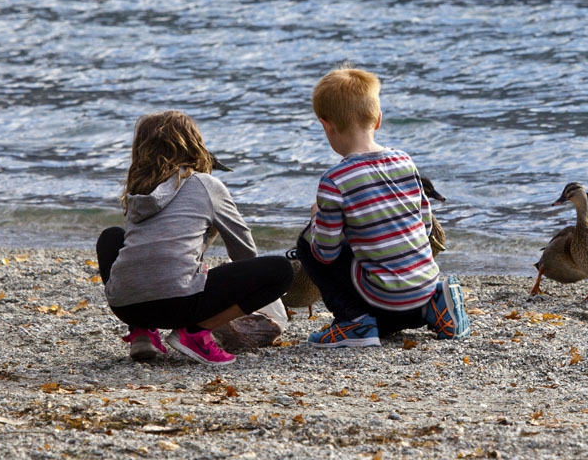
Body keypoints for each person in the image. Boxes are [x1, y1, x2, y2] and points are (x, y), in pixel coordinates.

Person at [96, 111, 293, 365]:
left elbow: (147, 249)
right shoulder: (206, 184)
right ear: (194, 144)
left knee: (111, 237)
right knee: (281, 271)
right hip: (180, 304)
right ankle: (196, 333)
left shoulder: (138, 189)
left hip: (125, 305)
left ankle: (141, 331)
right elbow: (243, 250)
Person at [295, 66, 470, 347]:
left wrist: (317, 219)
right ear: (378, 120)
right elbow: (426, 227)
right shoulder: (405, 161)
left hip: (380, 300)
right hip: (419, 292)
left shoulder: (335, 180)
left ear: (326, 125)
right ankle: (436, 304)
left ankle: (352, 321)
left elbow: (325, 253)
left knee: (307, 242)